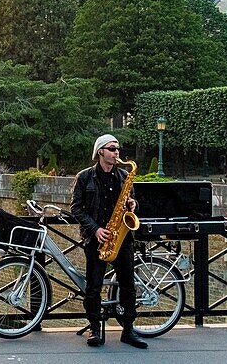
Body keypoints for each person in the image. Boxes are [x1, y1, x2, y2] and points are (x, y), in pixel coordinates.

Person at [69, 133, 148, 350]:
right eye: (112, 149)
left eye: (118, 149)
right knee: (93, 287)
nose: (117, 153)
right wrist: (95, 230)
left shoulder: (124, 175)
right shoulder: (84, 177)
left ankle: (128, 329)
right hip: (97, 238)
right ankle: (95, 328)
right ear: (100, 152)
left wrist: (133, 205)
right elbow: (75, 208)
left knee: (128, 286)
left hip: (121, 237)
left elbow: (133, 203)